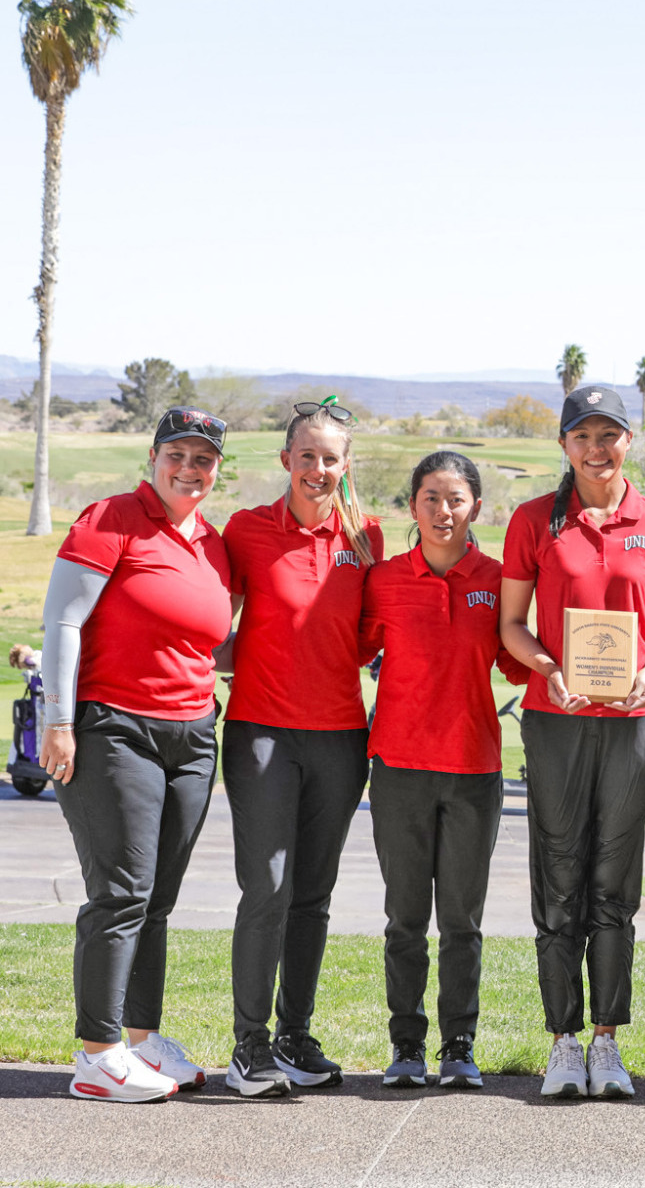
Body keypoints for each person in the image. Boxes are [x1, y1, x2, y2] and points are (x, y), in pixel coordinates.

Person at [501, 384, 645, 1099]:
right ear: (564, 446)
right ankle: (562, 1040)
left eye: (609, 434)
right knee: (558, 875)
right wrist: (546, 666)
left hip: (635, 720)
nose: (596, 447)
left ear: (628, 442)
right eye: (582, 436)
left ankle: (607, 1041)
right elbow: (512, 625)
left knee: (614, 877)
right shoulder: (533, 521)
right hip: (556, 716)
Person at [39, 407, 232, 1102]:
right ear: (152, 457)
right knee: (120, 892)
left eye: (203, 459)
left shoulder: (210, 541)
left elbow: (212, 637)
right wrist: (57, 720)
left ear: (217, 469)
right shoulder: (112, 517)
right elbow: (62, 618)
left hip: (190, 734)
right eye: (177, 454)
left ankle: (142, 1039)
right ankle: (98, 1052)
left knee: (157, 898)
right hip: (113, 726)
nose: (189, 468)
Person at [219, 397, 383, 1096]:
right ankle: (248, 1044)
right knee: (269, 887)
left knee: (312, 894)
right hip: (261, 731)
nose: (319, 468)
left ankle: (293, 1035)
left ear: (347, 466)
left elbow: (373, 636)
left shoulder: (367, 535)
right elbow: (206, 618)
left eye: (331, 457)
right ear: (286, 459)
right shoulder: (246, 529)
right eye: (307, 455)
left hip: (342, 735)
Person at [361, 452, 530, 1089]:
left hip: (473, 769)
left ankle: (459, 1045)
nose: (443, 510)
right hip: (399, 768)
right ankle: (406, 1046)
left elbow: (518, 661)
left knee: (462, 920)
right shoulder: (384, 581)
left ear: (475, 508)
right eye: (430, 498)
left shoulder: (497, 579)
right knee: (405, 918)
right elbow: (352, 648)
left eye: (455, 499)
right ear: (413, 506)